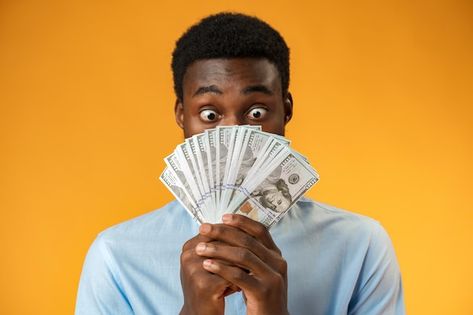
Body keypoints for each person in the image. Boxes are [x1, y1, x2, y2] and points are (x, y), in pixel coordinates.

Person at [75, 12, 405, 314]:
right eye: (209, 114)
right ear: (181, 115)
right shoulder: (116, 256)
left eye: (256, 113)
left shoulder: (361, 246)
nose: (233, 136)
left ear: (286, 109)